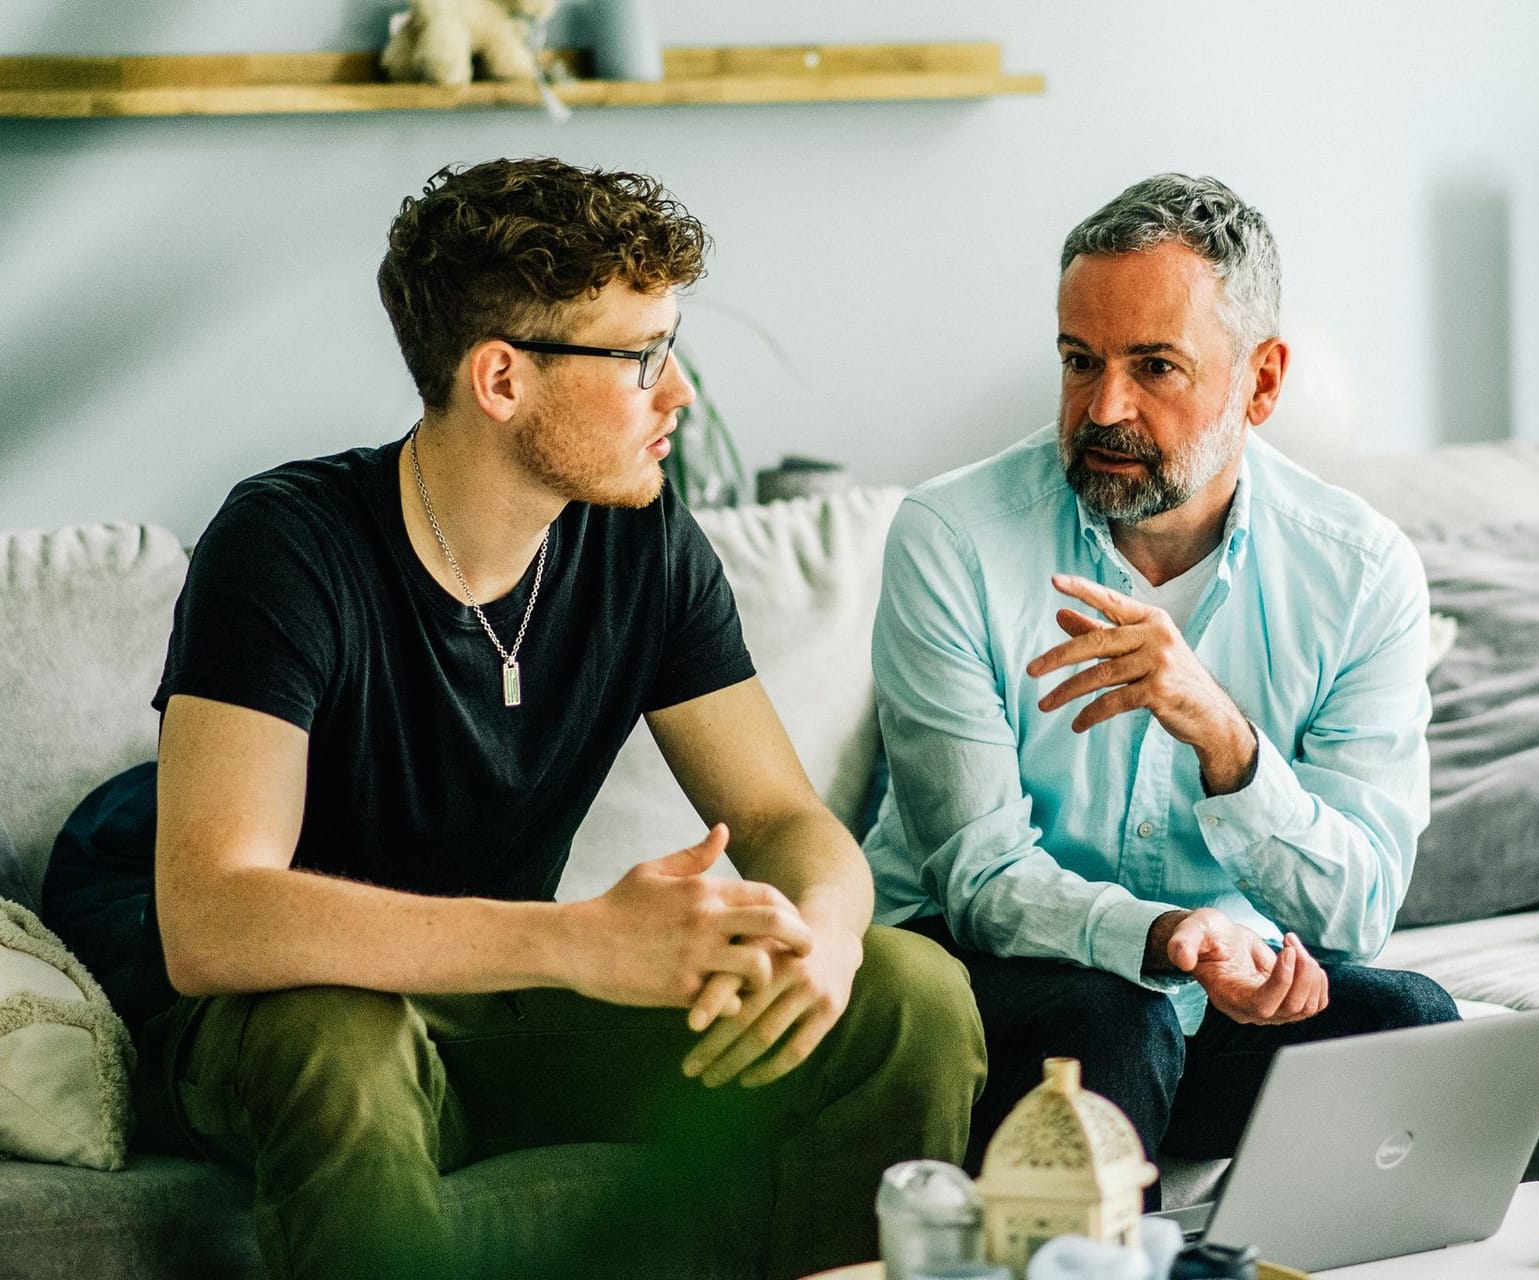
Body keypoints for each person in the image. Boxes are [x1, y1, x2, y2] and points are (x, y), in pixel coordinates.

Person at [51, 157, 985, 1280]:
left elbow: (784, 815)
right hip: (288, 1023)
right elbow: (213, 918)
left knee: (908, 993)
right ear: (502, 378)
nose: (679, 392)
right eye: (642, 358)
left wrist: (825, 929)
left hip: (503, 1010)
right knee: (340, 1032)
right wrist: (579, 942)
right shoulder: (286, 545)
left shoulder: (643, 545)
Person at [862, 173, 1457, 1191]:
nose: (1104, 407)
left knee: (1412, 1027)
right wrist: (1171, 935)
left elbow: (1358, 906)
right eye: (1079, 361)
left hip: (1207, 992)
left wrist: (1227, 742)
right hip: (978, 970)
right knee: (1114, 1016)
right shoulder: (953, 538)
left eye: (1155, 367)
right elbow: (979, 876)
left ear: (1261, 383)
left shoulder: (1360, 572)